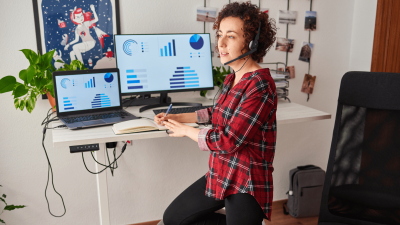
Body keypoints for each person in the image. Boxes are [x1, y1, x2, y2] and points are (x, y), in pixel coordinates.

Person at [154, 2, 277, 225]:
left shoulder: (261, 84)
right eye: (219, 34)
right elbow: (217, 111)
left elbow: (230, 140)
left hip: (245, 178)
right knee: (172, 219)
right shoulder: (233, 77)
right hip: (222, 170)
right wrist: (178, 118)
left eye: (230, 36)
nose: (220, 43)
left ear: (251, 41)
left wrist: (186, 131)